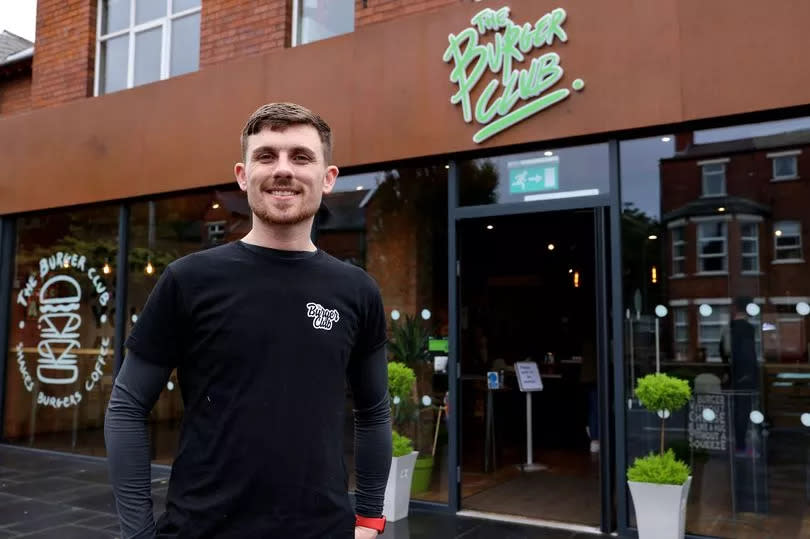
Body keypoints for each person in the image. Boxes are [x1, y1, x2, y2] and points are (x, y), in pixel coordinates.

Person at [105, 103, 392, 538]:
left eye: (300, 156)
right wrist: (137, 534)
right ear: (243, 175)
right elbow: (126, 408)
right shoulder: (190, 279)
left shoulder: (357, 291)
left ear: (328, 178)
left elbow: (373, 411)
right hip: (200, 530)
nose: (283, 170)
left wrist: (370, 518)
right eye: (266, 156)